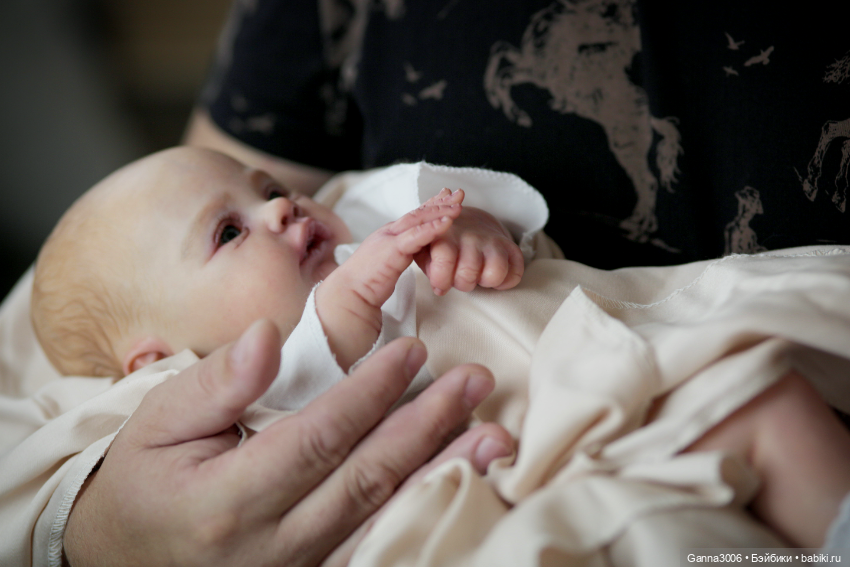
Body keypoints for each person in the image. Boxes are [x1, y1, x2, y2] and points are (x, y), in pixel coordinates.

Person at [28, 147, 850, 558]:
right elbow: (295, 379)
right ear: (158, 358)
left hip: (602, 405)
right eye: (230, 231)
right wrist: (355, 294)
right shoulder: (204, 405)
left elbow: (444, 199)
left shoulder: (358, 224)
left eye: (268, 188)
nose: (280, 210)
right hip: (489, 511)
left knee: (763, 400)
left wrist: (469, 227)